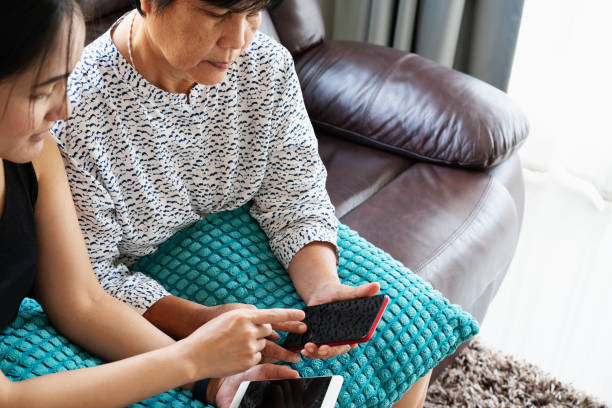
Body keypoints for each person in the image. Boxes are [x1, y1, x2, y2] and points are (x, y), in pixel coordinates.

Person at [52, 0, 432, 406]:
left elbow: (296, 192)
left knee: (408, 333)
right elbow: (93, 281)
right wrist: (200, 322)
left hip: (249, 238)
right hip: (146, 286)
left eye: (252, 14)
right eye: (216, 14)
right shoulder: (75, 111)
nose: (238, 40)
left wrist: (323, 284)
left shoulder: (265, 66)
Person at [0, 1, 308, 407]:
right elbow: (10, 399)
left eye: (66, 81)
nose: (65, 110)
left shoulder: (38, 158)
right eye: (42, 91)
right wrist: (191, 359)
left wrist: (213, 379)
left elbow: (83, 302)